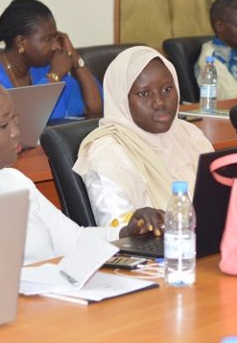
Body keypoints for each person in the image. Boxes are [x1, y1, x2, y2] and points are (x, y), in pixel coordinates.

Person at [0, 65, 158, 265]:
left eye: (15, 119)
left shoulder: (15, 181)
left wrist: (127, 232)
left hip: (52, 296)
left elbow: (74, 240)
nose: (16, 132)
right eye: (3, 125)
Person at [74, 46, 214, 228]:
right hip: (160, 251)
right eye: (143, 93)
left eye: (167, 89)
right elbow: (116, 228)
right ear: (122, 99)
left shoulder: (189, 134)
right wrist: (134, 224)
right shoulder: (107, 153)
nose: (159, 102)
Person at [0, 0, 102, 121]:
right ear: (21, 41)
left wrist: (74, 57)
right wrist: (54, 76)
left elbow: (95, 109)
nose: (55, 46)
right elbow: (21, 125)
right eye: (48, 39)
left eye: (56, 37)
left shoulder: (44, 66)